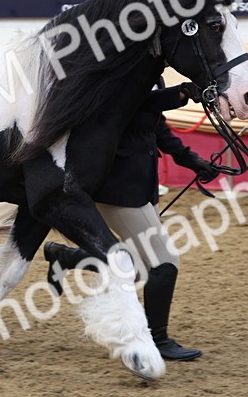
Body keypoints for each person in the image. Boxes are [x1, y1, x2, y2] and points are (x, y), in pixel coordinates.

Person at [44, 81, 219, 361]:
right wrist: (179, 94)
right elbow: (130, 99)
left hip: (141, 185)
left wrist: (192, 161)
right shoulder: (118, 75)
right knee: (164, 262)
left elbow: (156, 126)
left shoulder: (149, 78)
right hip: (117, 189)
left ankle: (64, 256)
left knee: (137, 269)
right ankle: (157, 338)